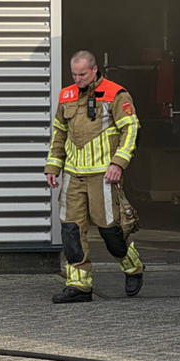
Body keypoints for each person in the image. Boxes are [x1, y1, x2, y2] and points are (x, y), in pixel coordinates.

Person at [45, 50, 144, 303]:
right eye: (74, 74)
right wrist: (53, 166)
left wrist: (119, 163)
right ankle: (79, 285)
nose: (77, 79)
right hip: (72, 175)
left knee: (110, 230)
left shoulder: (116, 94)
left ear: (95, 69)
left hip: (104, 176)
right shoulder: (66, 95)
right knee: (71, 229)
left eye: (82, 74)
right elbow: (59, 133)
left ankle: (132, 266)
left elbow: (131, 129)